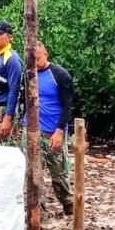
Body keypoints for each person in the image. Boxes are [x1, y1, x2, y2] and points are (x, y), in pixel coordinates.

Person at [22, 42, 74, 215]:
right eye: (31, 59)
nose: (35, 62)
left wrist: (59, 131)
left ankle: (68, 204)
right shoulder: (28, 75)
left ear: (46, 53)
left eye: (37, 57)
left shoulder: (60, 75)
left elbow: (67, 106)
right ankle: (38, 212)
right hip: (30, 130)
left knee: (59, 174)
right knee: (32, 173)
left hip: (53, 131)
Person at [0, 20, 22, 142]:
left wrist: (8, 117)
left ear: (9, 37)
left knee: (6, 148)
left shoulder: (11, 59)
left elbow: (15, 89)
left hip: (4, 108)